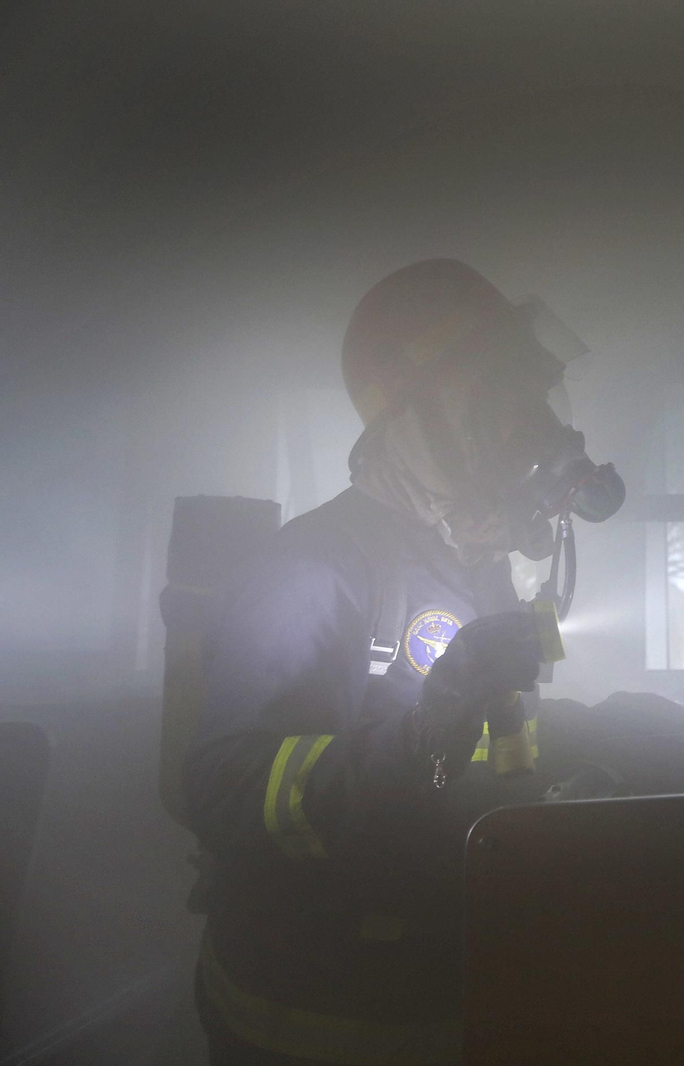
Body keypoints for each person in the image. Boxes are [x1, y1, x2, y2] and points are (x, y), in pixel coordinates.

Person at [183, 259, 643, 1064]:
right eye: (496, 403)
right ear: (412, 419)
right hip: (311, 1013)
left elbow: (482, 754)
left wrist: (589, 742)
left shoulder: (476, 565)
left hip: (439, 993)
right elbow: (223, 789)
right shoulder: (319, 565)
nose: (528, 428)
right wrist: (418, 741)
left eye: (527, 400)